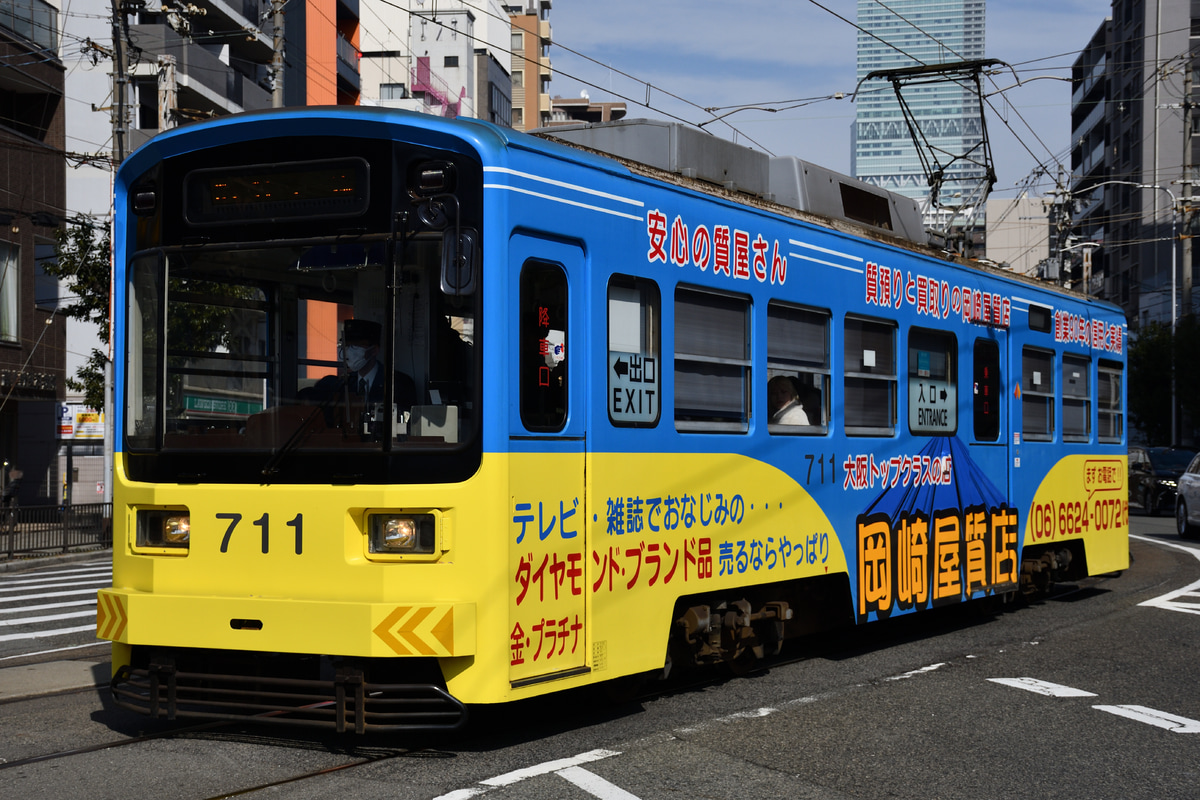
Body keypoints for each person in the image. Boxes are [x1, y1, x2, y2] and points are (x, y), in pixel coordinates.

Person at [340, 319, 417, 409]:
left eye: (356, 346)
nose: (349, 351)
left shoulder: (399, 383)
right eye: (347, 346)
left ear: (374, 350)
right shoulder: (345, 383)